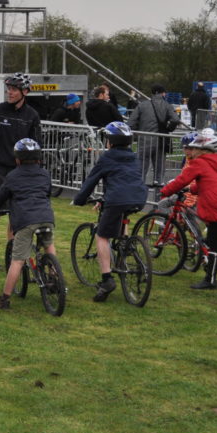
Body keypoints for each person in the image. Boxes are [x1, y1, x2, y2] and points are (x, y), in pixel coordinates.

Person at [71, 122, 148, 302]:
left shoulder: (107, 158)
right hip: (138, 198)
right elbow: (123, 180)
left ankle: (107, 279)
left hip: (118, 199)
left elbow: (91, 181)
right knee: (120, 222)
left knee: (102, 236)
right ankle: (127, 248)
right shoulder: (134, 157)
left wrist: (79, 200)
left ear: (110, 142)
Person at [0, 73, 42, 271]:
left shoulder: (32, 115)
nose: (9, 93)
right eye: (8, 89)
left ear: (25, 92)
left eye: (13, 89)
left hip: (21, 170)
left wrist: (37, 169)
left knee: (17, 213)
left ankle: (14, 253)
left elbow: (37, 146)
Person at [160, 131, 217, 290]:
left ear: (202, 150)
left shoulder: (199, 163)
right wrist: (193, 189)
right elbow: (209, 180)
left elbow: (181, 180)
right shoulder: (216, 160)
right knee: (213, 237)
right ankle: (209, 258)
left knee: (214, 242)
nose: (191, 151)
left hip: (215, 202)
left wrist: (164, 191)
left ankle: (210, 279)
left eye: (194, 148)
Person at [0, 138, 57, 309]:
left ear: (17, 159)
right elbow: (47, 192)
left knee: (17, 260)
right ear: (38, 158)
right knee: (48, 246)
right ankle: (55, 277)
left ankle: (4, 298)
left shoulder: (12, 176)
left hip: (25, 220)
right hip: (46, 216)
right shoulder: (44, 174)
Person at [127, 84, 183, 191]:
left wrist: (137, 132)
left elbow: (130, 122)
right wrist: (169, 128)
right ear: (162, 93)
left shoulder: (142, 105)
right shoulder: (167, 105)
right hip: (160, 141)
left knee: (141, 170)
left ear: (153, 93)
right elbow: (176, 120)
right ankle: (158, 200)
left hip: (144, 141)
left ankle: (138, 198)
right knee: (159, 173)